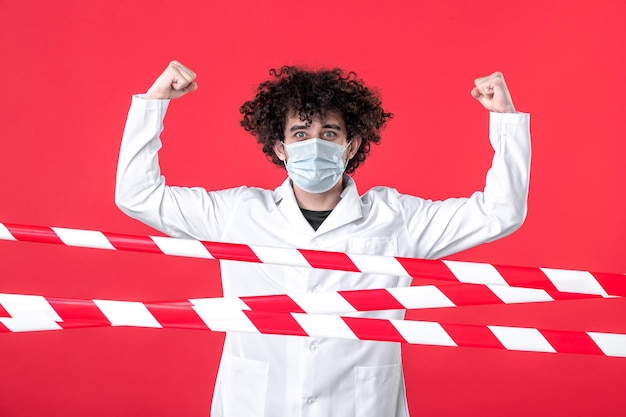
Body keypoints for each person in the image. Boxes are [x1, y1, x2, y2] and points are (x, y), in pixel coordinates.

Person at [115, 60, 530, 417]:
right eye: (300, 134)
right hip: (258, 404)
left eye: (329, 133)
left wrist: (505, 119)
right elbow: (138, 195)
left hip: (359, 405)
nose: (315, 144)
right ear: (279, 147)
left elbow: (499, 212)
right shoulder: (238, 214)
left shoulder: (396, 220)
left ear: (352, 146)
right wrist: (155, 104)